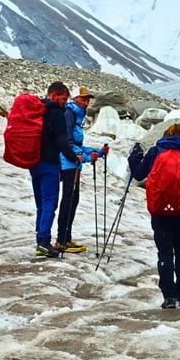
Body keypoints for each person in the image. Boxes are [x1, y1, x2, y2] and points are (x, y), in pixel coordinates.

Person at [128, 123, 180, 309]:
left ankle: (168, 297)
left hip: (159, 209)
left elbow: (139, 174)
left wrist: (134, 157)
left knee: (164, 252)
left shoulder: (156, 150)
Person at [31, 81, 80, 257]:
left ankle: (40, 238)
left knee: (40, 204)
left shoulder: (39, 110)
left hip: (34, 162)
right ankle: (43, 241)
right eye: (63, 99)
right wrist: (73, 158)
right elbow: (61, 141)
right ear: (54, 95)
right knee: (49, 203)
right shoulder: (56, 113)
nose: (65, 103)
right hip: (49, 163)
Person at [55, 86, 106, 253]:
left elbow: (76, 145)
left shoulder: (75, 115)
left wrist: (97, 152)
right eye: (83, 99)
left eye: (88, 99)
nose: (86, 102)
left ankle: (65, 239)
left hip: (71, 163)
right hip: (68, 163)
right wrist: (84, 157)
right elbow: (68, 143)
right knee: (69, 201)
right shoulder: (70, 114)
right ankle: (62, 240)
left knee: (72, 200)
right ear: (75, 99)